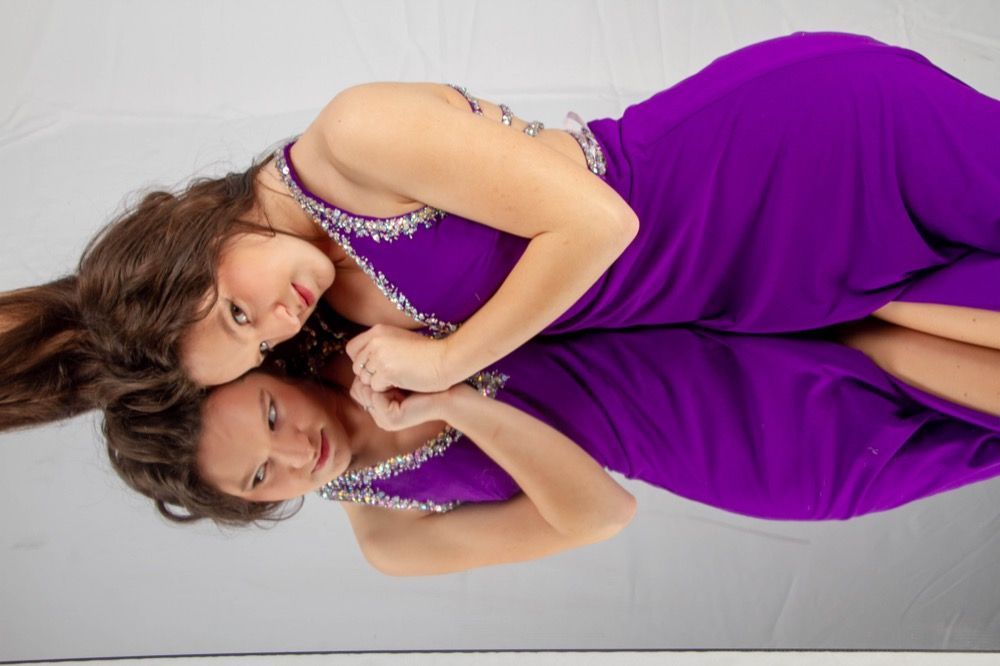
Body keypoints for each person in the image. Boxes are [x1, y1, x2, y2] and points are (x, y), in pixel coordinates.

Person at [5, 31, 1000, 431]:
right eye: (256, 341)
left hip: (799, 153)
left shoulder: (351, 138)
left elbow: (596, 223)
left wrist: (449, 363)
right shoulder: (320, 296)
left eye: (234, 306)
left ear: (198, 235)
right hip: (771, 278)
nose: (274, 320)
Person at [107, 323, 1000, 576]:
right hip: (731, 434)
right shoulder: (391, 536)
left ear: (267, 372)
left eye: (268, 414)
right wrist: (458, 403)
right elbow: (600, 514)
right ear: (255, 506)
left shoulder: (362, 313)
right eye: (262, 478)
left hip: (730, 302)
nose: (295, 452)